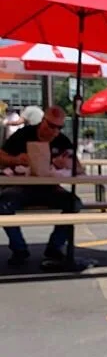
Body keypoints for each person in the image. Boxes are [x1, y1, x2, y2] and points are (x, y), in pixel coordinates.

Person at [0, 105, 83, 267]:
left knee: (74, 203)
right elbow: (1, 155)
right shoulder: (25, 134)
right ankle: (19, 249)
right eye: (51, 126)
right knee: (2, 205)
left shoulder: (62, 140)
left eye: (59, 127)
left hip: (49, 188)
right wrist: (16, 160)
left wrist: (67, 163)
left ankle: (55, 247)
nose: (54, 131)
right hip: (21, 187)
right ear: (42, 121)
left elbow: (79, 168)